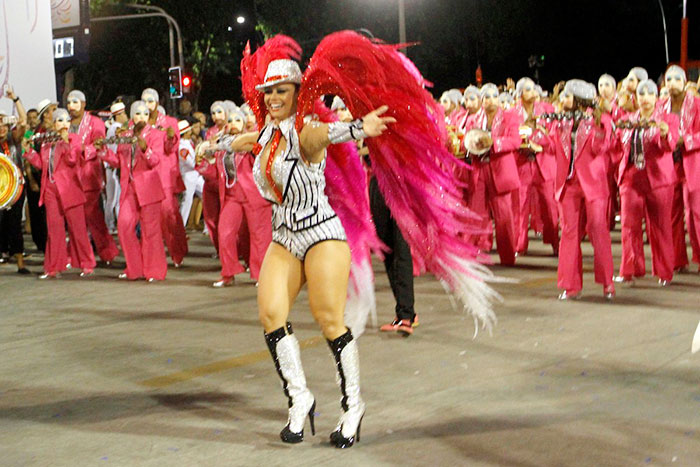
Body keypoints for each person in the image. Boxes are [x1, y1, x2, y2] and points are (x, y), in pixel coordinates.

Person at [549, 80, 615, 300]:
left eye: (566, 96)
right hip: (568, 184)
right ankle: (570, 285)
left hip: (593, 183)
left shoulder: (600, 120)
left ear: (578, 99)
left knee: (598, 229)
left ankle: (607, 282)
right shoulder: (561, 121)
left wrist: (600, 126)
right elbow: (551, 147)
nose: (562, 100)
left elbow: (602, 148)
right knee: (568, 232)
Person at [197, 106, 272, 287]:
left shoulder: (253, 141)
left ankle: (262, 274)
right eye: (230, 120)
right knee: (225, 232)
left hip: (254, 194)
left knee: (259, 236)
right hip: (232, 195)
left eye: (237, 120)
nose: (233, 124)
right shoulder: (223, 144)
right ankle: (228, 272)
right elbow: (215, 175)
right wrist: (205, 162)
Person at [612, 79, 677, 286]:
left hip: (659, 180)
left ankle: (664, 272)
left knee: (661, 227)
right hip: (631, 179)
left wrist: (666, 133)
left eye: (650, 94)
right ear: (636, 98)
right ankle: (630, 269)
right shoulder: (627, 119)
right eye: (641, 94)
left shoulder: (667, 119)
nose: (645, 98)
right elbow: (617, 148)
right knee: (628, 227)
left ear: (656, 97)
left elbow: (670, 146)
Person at [96, 101, 167, 281]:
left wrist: (145, 148)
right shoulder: (126, 136)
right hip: (129, 187)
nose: (141, 117)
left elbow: (156, 161)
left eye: (145, 114)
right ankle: (134, 268)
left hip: (149, 188)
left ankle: (154, 271)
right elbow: (120, 161)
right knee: (124, 225)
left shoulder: (156, 135)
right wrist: (103, 152)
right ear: (132, 117)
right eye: (138, 114)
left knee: (151, 231)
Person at [22, 109, 96, 278]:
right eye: (60, 121)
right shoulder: (47, 141)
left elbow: (72, 160)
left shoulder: (74, 139)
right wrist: (29, 152)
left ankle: (87, 263)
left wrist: (66, 143)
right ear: (54, 124)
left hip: (69, 189)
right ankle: (53, 267)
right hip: (50, 188)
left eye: (66, 120)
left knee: (77, 229)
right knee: (54, 229)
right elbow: (41, 164)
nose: (64, 124)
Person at [464, 83, 521, 265]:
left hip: (500, 170)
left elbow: (515, 141)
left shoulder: (509, 117)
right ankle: (468, 255)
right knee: (475, 214)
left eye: (493, 96)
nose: (490, 100)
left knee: (504, 217)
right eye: (486, 97)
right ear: (482, 100)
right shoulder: (474, 120)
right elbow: (468, 140)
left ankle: (508, 257)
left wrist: (493, 142)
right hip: (480, 170)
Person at [66, 89, 119, 264]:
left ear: (83, 104)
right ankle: (76, 256)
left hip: (89, 176)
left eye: (75, 103)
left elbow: (98, 146)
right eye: (69, 103)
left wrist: (82, 149)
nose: (71, 107)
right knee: (75, 220)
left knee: (93, 218)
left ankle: (108, 252)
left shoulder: (95, 123)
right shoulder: (64, 124)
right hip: (70, 178)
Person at [141, 88, 188, 268]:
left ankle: (178, 252)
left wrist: (170, 138)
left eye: (150, 101)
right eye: (144, 101)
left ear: (157, 102)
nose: (148, 105)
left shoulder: (169, 122)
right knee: (151, 218)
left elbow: (171, 148)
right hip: (146, 174)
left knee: (169, 214)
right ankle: (153, 256)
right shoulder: (139, 122)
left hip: (165, 174)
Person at [513, 77, 559, 256]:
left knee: (550, 205)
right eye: (527, 90)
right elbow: (510, 136)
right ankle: (520, 244)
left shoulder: (547, 110)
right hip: (522, 164)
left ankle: (555, 242)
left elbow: (555, 137)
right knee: (521, 207)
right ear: (520, 94)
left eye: (533, 89)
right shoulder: (512, 113)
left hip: (543, 163)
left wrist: (539, 142)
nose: (532, 93)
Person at [662, 65, 700, 272]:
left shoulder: (697, 104)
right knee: (672, 215)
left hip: (693, 165)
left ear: (685, 82)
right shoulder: (660, 107)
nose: (672, 83)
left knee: (695, 213)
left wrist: (686, 140)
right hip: (668, 166)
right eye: (669, 79)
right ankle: (677, 259)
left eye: (677, 79)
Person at [0, 85, 30, 273]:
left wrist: (15, 99)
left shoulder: (13, 138)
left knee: (14, 224)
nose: (1, 128)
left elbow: (24, 121)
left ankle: (20, 263)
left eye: (3, 124)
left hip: (16, 190)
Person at [104, 102, 128, 233]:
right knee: (112, 199)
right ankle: (110, 225)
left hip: (113, 165)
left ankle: (115, 224)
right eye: (123, 113)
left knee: (116, 198)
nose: (125, 116)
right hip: (112, 166)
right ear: (118, 115)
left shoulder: (115, 127)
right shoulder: (115, 128)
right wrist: (114, 163)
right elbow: (113, 148)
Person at [177, 119, 203, 227]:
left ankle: (208, 228)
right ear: (186, 132)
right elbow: (190, 163)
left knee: (206, 195)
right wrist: (199, 159)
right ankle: (180, 227)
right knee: (187, 202)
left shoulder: (189, 142)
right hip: (188, 175)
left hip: (196, 174)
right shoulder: (181, 146)